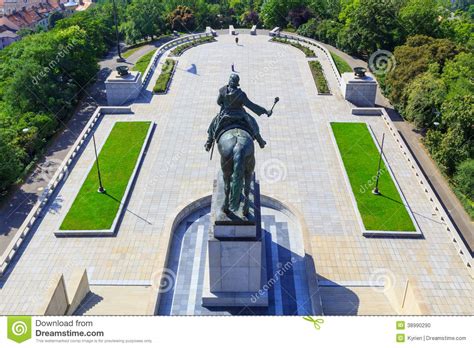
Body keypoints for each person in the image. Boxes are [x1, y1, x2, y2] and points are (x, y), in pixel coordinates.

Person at [205, 73, 272, 151]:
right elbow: (251, 106)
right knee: (252, 122)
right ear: (237, 83)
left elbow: (218, 102)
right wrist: (265, 111)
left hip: (225, 115)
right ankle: (260, 140)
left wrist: (225, 104)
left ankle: (209, 142)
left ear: (229, 81)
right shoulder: (241, 94)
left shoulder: (222, 91)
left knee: (213, 123)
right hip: (240, 115)